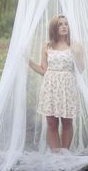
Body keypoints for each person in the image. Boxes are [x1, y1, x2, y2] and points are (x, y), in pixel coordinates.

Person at [28, 15, 84, 152]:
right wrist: (27, 61)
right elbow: (43, 70)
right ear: (54, 28)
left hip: (67, 87)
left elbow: (81, 70)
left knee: (67, 122)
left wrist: (76, 54)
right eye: (60, 24)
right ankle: (56, 156)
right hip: (50, 87)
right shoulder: (48, 46)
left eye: (66, 24)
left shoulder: (75, 46)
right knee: (51, 123)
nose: (64, 26)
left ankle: (64, 153)